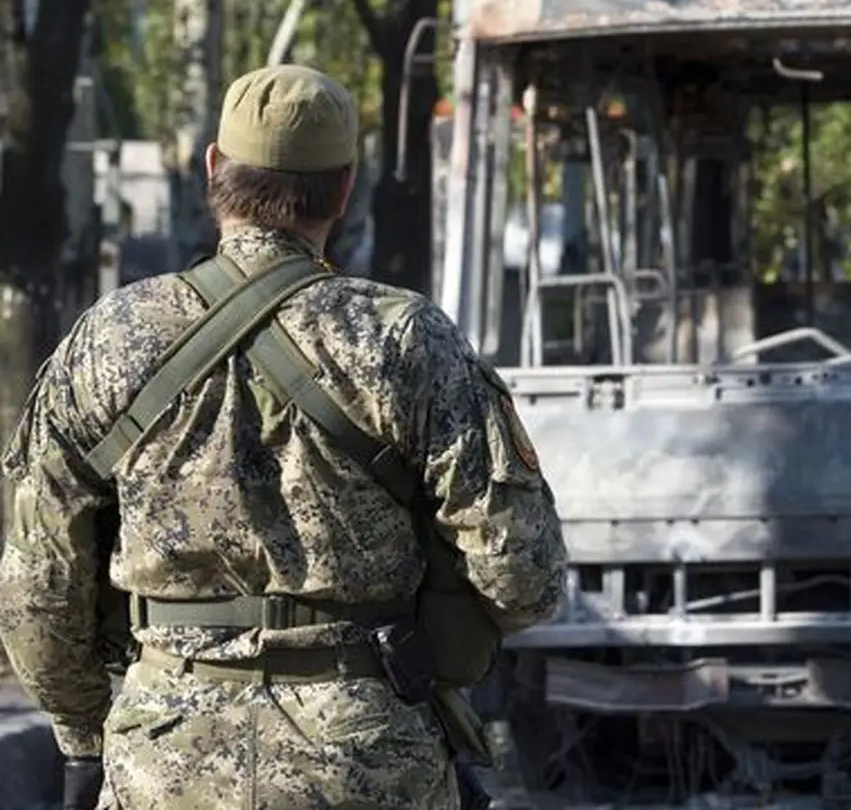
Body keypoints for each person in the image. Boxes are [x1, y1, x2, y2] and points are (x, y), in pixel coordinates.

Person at [0, 64, 567, 809]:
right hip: (368, 762)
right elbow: (525, 573)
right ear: (344, 188)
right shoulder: (405, 339)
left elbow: (39, 587)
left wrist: (83, 737)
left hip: (164, 765)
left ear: (212, 170)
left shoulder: (109, 339)